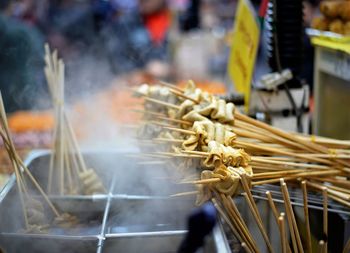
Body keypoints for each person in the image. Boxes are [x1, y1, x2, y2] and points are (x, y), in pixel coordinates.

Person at [0, 0, 48, 112]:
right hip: (24, 99)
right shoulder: (25, 30)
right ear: (11, 6)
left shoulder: (19, 30)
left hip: (11, 100)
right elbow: (41, 59)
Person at [106, 0, 172, 80]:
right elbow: (117, 61)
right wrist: (141, 73)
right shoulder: (125, 23)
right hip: (137, 87)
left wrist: (171, 69)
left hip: (178, 85)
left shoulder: (180, 21)